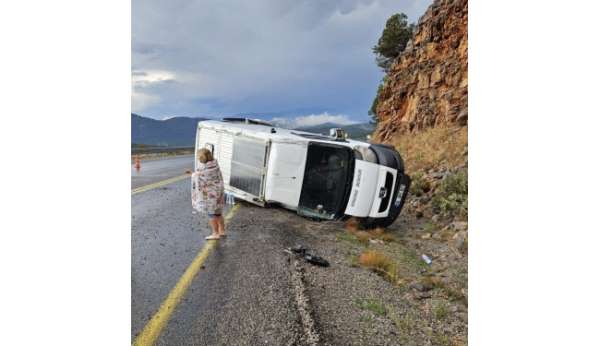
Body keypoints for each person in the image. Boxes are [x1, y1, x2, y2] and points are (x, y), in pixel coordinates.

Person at [192, 148, 226, 240]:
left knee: (211, 214)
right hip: (219, 193)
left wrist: (193, 175)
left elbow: (200, 178)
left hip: (211, 196)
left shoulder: (204, 169)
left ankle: (215, 233)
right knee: (218, 213)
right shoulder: (215, 165)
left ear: (202, 158)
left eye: (199, 157)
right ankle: (222, 231)